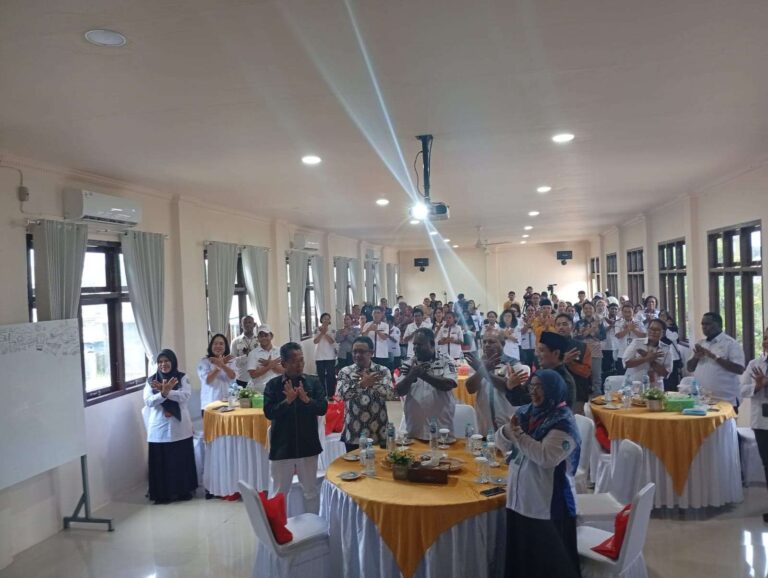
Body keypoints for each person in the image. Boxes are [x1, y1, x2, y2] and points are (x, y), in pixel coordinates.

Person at [495, 369, 581, 578]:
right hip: (519, 500)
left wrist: (518, 434)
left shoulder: (564, 423)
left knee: (546, 565)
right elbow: (499, 441)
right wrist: (508, 431)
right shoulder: (526, 413)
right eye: (531, 386)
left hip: (548, 505)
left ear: (554, 390)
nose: (533, 392)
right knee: (522, 560)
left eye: (540, 387)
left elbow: (546, 457)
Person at [263, 342, 328, 514]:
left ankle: (313, 526)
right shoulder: (273, 385)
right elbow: (269, 413)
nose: (299, 365)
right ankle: (277, 532)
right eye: (293, 361)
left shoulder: (313, 382)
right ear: (283, 364)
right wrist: (287, 401)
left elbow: (322, 408)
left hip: (308, 445)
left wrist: (307, 401)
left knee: (311, 492)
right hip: (282, 447)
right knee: (279, 494)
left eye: (301, 360)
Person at [144, 349, 197, 504]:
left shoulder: (182, 377)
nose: (163, 364)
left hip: (179, 426)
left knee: (180, 460)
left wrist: (168, 391)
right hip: (159, 427)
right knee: (161, 462)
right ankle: (162, 494)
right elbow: (148, 401)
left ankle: (183, 491)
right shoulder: (150, 381)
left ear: (173, 362)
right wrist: (163, 394)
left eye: (166, 361)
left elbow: (185, 396)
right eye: (160, 362)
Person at [396, 328, 458, 441]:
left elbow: (448, 384)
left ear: (432, 344)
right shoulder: (408, 363)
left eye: (419, 344)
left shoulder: (446, 361)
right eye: (414, 344)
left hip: (442, 430)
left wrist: (423, 375)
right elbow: (399, 391)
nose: (415, 348)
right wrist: (411, 375)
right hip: (414, 430)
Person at [336, 336, 395, 452]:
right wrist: (361, 385)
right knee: (354, 468)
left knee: (379, 467)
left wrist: (373, 384)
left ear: (371, 353)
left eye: (362, 352)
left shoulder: (382, 371)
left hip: (378, 431)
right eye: (355, 351)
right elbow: (342, 395)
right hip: (354, 432)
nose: (357, 355)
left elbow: (390, 395)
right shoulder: (345, 372)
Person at [739, 327, 768, 522]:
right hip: (762, 422)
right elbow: (741, 389)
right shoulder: (755, 364)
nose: (766, 341)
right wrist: (758, 385)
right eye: (765, 337)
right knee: (767, 464)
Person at [687, 312, 745, 407]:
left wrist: (714, 357)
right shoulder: (701, 343)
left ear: (719, 325)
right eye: (702, 324)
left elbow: (739, 369)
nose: (704, 327)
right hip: (703, 400)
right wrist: (696, 357)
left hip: (725, 400)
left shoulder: (730, 344)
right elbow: (690, 368)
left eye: (707, 324)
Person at [506, 331, 577, 408]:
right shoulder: (540, 373)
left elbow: (530, 404)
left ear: (556, 353)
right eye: (538, 350)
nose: (536, 354)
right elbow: (524, 397)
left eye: (542, 350)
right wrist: (513, 384)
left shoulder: (562, 380)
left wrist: (513, 387)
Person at [465, 334, 516, 433]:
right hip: (484, 426)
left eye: (492, 342)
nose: (487, 345)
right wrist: (481, 370)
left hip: (507, 427)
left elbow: (506, 387)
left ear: (503, 344)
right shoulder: (478, 364)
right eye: (484, 342)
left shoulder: (513, 364)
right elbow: (470, 389)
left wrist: (483, 371)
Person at [622, 319, 673, 387]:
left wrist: (650, 359)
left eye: (657, 330)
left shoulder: (666, 348)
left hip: (655, 390)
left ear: (663, 333)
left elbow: (665, 373)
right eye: (651, 329)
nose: (653, 332)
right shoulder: (637, 343)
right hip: (634, 387)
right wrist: (645, 358)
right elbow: (626, 363)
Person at [197, 334, 236, 414]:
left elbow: (233, 376)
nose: (218, 346)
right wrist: (218, 367)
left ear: (226, 347)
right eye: (215, 343)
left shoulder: (231, 361)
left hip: (227, 404)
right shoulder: (204, 362)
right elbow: (207, 380)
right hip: (210, 405)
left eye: (221, 344)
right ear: (211, 346)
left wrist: (222, 365)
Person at [575, 302, 605, 397]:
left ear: (593, 309)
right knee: (582, 374)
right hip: (583, 351)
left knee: (597, 375)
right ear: (583, 310)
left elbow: (603, 336)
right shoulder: (579, 323)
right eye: (586, 308)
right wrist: (587, 332)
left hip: (596, 350)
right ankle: (583, 395)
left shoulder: (599, 322)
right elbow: (575, 337)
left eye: (590, 308)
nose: (588, 310)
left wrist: (593, 333)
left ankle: (598, 395)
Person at [247, 324, 283, 393]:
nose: (263, 338)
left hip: (279, 389)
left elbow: (285, 371)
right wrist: (269, 366)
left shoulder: (280, 350)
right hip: (261, 391)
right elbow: (253, 374)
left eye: (266, 335)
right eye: (261, 336)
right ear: (257, 338)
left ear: (271, 336)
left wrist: (270, 364)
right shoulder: (252, 354)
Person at [614, 304, 646, 374]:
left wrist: (633, 330)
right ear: (622, 312)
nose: (627, 314)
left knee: (636, 376)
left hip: (636, 354)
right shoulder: (618, 322)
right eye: (625, 312)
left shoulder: (639, 322)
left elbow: (644, 336)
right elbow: (618, 336)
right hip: (622, 354)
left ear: (633, 312)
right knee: (622, 376)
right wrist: (628, 329)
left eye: (629, 312)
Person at [314, 312, 337, 399]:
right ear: (321, 320)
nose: (326, 320)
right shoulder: (317, 329)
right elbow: (315, 341)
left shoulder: (332, 329)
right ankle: (322, 394)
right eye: (324, 318)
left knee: (331, 376)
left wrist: (325, 333)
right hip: (319, 356)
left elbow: (331, 341)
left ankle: (331, 394)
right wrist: (321, 333)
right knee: (321, 376)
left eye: (328, 318)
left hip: (330, 356)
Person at [231, 315, 259, 387]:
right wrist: (246, 356)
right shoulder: (235, 341)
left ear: (254, 325)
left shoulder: (259, 341)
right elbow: (232, 362)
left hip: (258, 378)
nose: (247, 324)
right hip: (242, 378)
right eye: (245, 322)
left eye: (250, 322)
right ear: (241, 325)